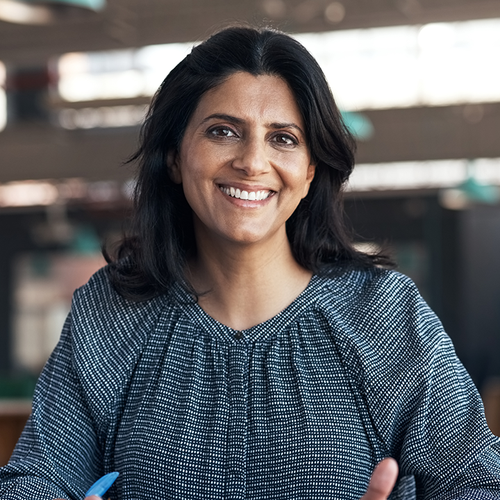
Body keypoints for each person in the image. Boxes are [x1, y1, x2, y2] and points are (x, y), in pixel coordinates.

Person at [1, 25, 500, 500]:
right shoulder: (111, 315)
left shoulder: (382, 316)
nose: (252, 162)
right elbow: (35, 480)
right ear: (175, 156)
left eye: (283, 138)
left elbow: (479, 481)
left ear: (309, 171)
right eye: (223, 131)